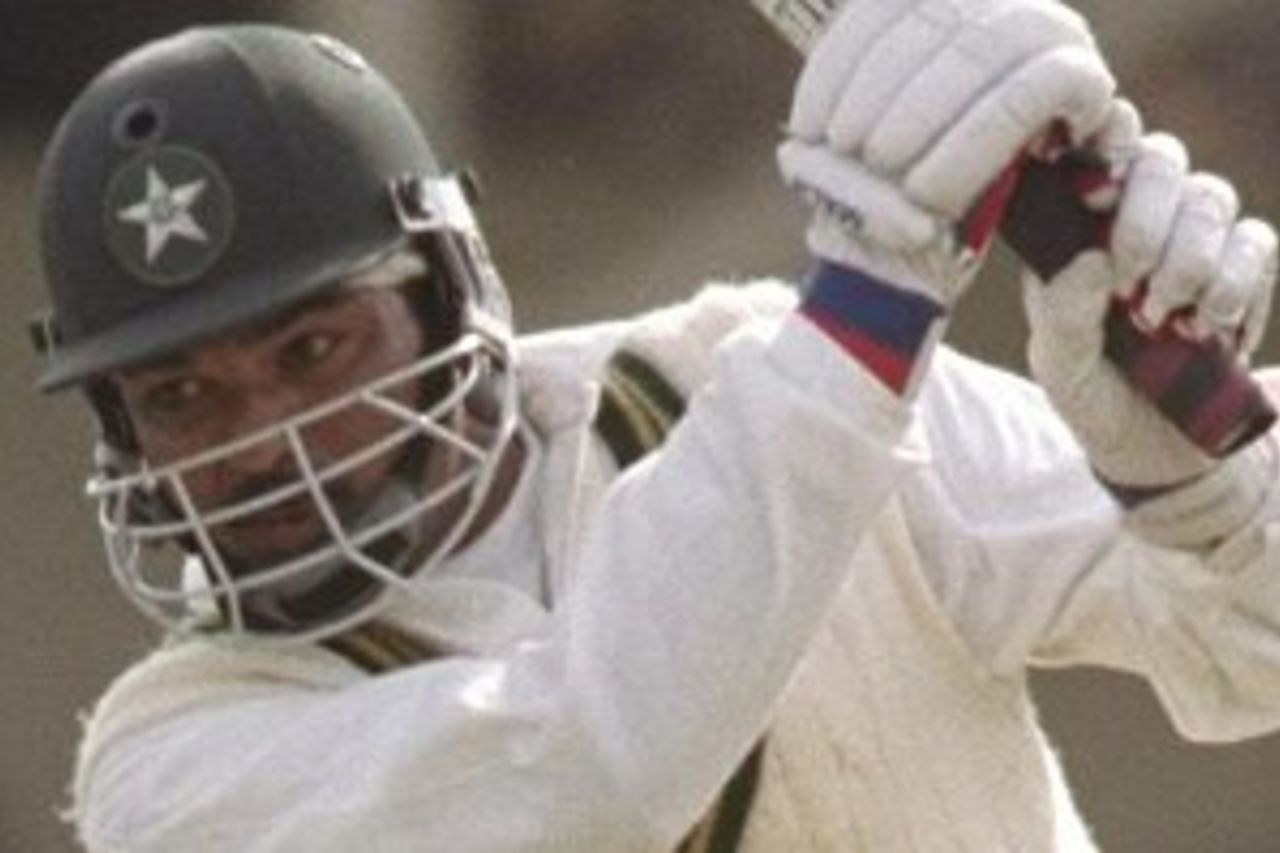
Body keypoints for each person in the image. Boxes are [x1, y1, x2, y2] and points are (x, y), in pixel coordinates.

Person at [28, 1, 1280, 850]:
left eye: (313, 348)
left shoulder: (736, 373)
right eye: (181, 395)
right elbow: (587, 771)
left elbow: (1250, 656)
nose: (261, 440)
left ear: (450, 291)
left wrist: (1197, 484)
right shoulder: (171, 771)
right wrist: (871, 298)